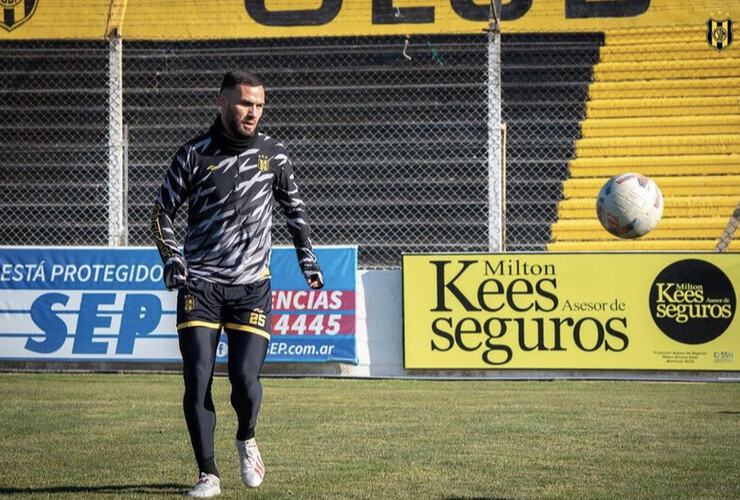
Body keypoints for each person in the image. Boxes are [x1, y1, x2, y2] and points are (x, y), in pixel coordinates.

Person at [151, 70, 324, 498]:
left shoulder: (274, 155)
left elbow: (295, 211)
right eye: (246, 103)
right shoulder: (193, 154)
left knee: (245, 381)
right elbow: (160, 212)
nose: (253, 112)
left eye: (260, 105)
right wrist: (173, 258)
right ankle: (207, 473)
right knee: (198, 378)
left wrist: (307, 258)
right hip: (202, 287)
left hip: (252, 288)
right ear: (222, 102)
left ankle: (247, 437)